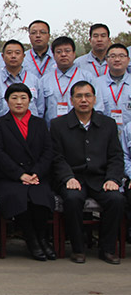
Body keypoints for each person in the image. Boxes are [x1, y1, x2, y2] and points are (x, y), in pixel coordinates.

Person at [51, 81, 124, 264]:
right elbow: (56, 157)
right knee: (72, 198)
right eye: (79, 96)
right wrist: (67, 177)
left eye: (87, 96)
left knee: (116, 199)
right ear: (71, 100)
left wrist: (113, 179)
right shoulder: (58, 125)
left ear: (94, 99)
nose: (83, 100)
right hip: (73, 177)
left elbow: (116, 156)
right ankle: (78, 249)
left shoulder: (108, 124)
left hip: (100, 178)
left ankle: (107, 249)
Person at [0, 83, 56, 261]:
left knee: (41, 197)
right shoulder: (0, 124)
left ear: (29, 101)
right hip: (10, 177)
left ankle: (43, 238)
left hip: (36, 176)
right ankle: (32, 240)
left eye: (23, 98)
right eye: (14, 98)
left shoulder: (39, 123)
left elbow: (48, 151)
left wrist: (35, 173)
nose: (19, 102)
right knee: (19, 197)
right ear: (7, 101)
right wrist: (19, 174)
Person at [41, 36, 103, 127]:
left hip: (81, 130)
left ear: (74, 54)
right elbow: (40, 110)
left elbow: (98, 107)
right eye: (59, 52)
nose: (63, 54)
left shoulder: (87, 77)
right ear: (53, 55)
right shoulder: (45, 80)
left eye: (67, 51)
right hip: (52, 130)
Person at [0, 40, 44, 118]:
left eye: (17, 53)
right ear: (3, 56)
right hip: (3, 125)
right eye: (9, 53)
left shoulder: (35, 81)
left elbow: (40, 110)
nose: (13, 56)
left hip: (30, 125)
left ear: (24, 56)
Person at [99, 43, 131, 131]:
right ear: (106, 60)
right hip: (105, 133)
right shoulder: (97, 84)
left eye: (121, 56)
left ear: (128, 60)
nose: (117, 59)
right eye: (112, 56)